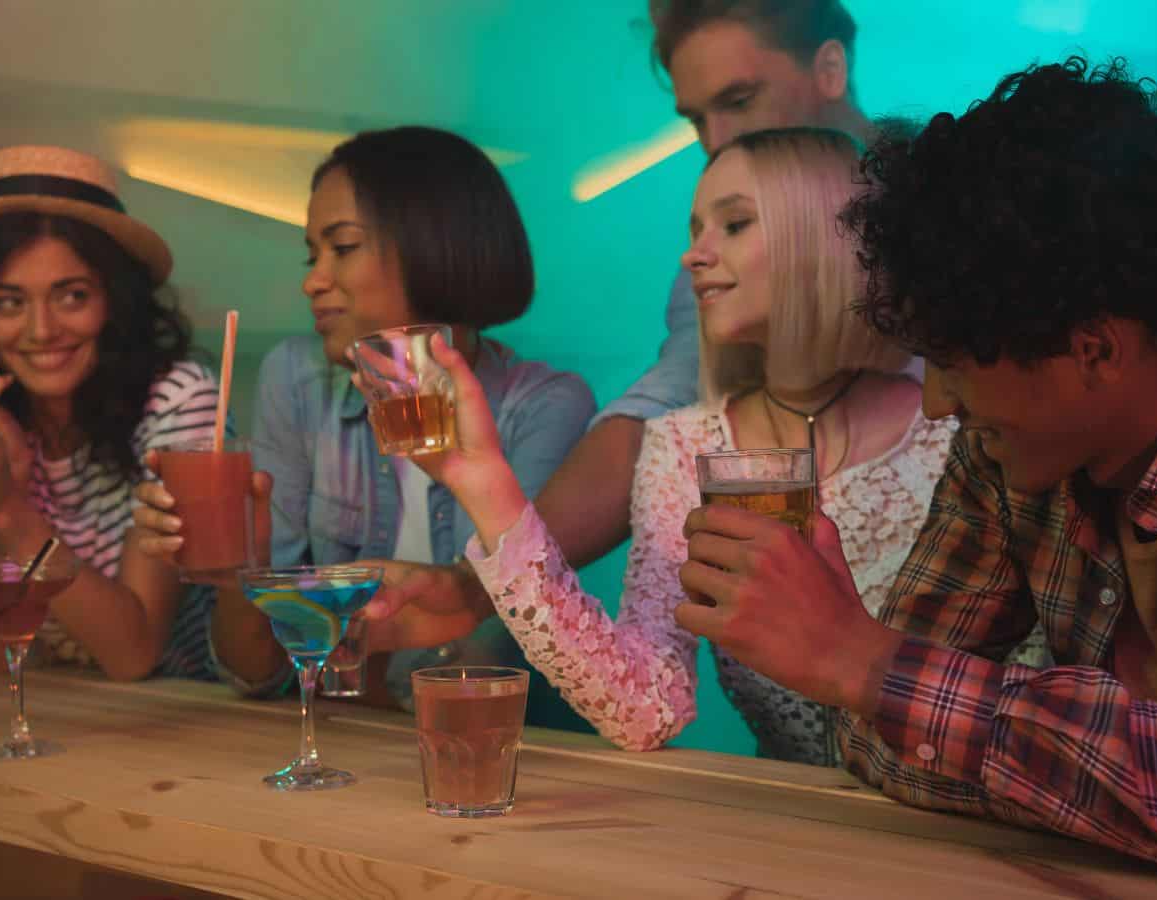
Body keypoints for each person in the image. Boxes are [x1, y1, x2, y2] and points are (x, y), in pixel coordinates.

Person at [676, 57, 1157, 888]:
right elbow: (873, 742)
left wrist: (866, 663)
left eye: (953, 364)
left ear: (1093, 350)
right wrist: (885, 685)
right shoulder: (1016, 442)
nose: (936, 406)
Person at [406, 127, 951, 762]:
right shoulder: (682, 444)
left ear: (828, 238)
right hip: (794, 830)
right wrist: (487, 486)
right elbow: (645, 709)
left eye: (736, 224)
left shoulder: (952, 430)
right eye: (695, 231)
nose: (694, 255)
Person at [362, 0, 878, 646]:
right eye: (695, 118)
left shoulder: (958, 229)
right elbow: (657, 414)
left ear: (829, 68)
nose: (715, 139)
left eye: (739, 99)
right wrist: (476, 581)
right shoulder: (693, 399)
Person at [133, 127, 596, 720]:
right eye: (311, 254)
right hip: (338, 746)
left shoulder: (543, 406)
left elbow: (493, 650)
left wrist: (327, 629)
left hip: (499, 755)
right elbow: (256, 674)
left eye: (342, 247)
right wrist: (241, 572)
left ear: (436, 244)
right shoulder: (296, 380)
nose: (312, 280)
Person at [0, 145, 220, 681]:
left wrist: (5, 508)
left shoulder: (177, 399)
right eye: (8, 302)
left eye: (71, 296)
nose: (42, 331)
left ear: (114, 299)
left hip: (180, 714)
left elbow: (134, 654)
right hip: (57, 715)